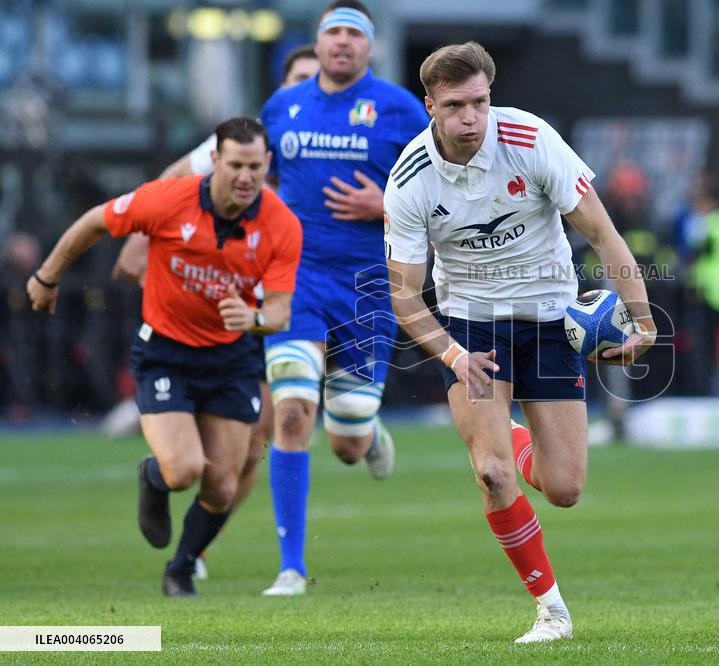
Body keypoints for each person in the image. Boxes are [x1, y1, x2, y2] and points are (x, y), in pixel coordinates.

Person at [383, 42, 656, 643]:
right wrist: (453, 356)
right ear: (429, 105)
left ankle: (504, 437)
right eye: (455, 106)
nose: (471, 118)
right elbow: (404, 296)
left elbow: (604, 235)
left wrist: (645, 321)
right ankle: (551, 610)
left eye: (480, 102)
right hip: (472, 329)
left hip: (551, 320)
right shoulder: (409, 180)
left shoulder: (532, 140)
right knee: (492, 476)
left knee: (564, 489)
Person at [27, 117, 303, 596]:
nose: (245, 177)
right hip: (166, 353)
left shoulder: (281, 223)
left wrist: (253, 317)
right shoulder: (167, 199)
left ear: (268, 166)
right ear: (215, 161)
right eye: (235, 164)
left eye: (255, 167)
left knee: (223, 484)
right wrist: (47, 277)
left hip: (231, 359)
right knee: (182, 471)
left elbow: (279, 313)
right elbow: (95, 220)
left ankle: (181, 568)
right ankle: (153, 479)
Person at [109, 43, 321, 581]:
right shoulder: (258, 132)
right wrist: (138, 236)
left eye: (315, 78)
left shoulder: (351, 131)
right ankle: (193, 538)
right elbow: (175, 177)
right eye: (298, 78)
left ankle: (194, 549)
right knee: (266, 428)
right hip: (236, 297)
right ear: (282, 87)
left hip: (304, 286)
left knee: (268, 440)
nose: (308, 87)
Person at [257, 0, 428, 596]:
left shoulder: (402, 110)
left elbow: (446, 194)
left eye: (356, 34)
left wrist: (384, 204)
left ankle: (369, 433)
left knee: (348, 441)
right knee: (292, 408)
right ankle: (292, 568)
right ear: (317, 42)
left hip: (367, 288)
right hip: (296, 280)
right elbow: (264, 182)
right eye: (334, 32)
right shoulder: (282, 106)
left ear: (370, 48)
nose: (343, 43)